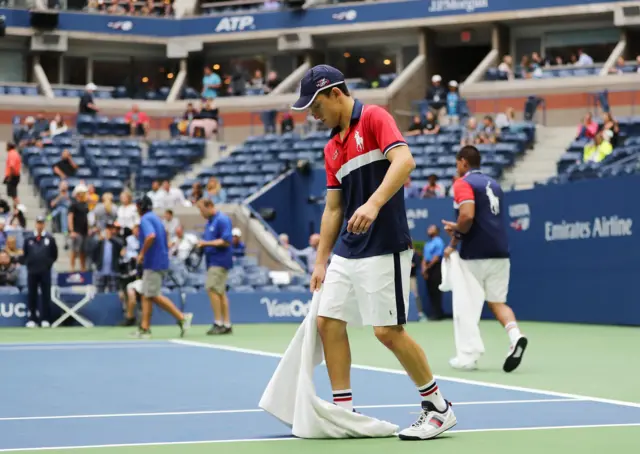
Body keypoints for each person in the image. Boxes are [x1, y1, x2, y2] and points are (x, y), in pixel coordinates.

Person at [291, 64, 456, 441]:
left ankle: (438, 408)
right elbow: (333, 209)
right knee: (328, 321)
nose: (313, 115)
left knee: (387, 331)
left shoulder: (375, 118)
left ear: (335, 93)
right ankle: (344, 413)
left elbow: (404, 161)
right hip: (348, 250)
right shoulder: (331, 147)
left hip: (385, 244)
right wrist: (321, 261)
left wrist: (373, 203)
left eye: (315, 106)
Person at [442, 145, 528, 372]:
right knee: (497, 303)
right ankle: (515, 336)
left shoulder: (462, 183)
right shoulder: (496, 185)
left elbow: (467, 216)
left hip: (475, 254)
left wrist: (454, 236)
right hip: (500, 252)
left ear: (463, 162)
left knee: (465, 305)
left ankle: (467, 357)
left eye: (457, 163)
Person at [132, 195, 193, 339]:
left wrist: (141, 254)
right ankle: (145, 328)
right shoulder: (155, 218)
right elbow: (164, 234)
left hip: (154, 262)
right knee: (147, 295)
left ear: (140, 207)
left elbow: (151, 236)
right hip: (158, 260)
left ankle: (182, 317)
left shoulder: (146, 219)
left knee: (152, 294)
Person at [197, 199, 233, 335]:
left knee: (211, 288)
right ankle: (227, 324)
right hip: (212, 261)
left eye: (201, 210)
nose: (201, 213)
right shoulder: (210, 222)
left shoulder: (222, 220)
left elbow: (226, 241)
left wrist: (205, 244)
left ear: (210, 206)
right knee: (220, 292)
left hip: (220, 261)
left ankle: (218, 322)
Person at [22, 215, 58, 328]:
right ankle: (32, 318)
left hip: (45, 271)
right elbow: (25, 254)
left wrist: (48, 264)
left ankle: (45, 319)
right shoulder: (29, 239)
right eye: (38, 223)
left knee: (46, 295)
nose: (40, 225)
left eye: (42, 223)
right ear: (35, 224)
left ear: (44, 224)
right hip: (32, 271)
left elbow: (54, 254)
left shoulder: (49, 238)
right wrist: (29, 263)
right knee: (32, 295)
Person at [422, 225, 445, 320]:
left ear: (436, 231)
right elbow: (424, 258)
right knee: (430, 291)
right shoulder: (427, 244)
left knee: (436, 291)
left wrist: (427, 268)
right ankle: (434, 313)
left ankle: (438, 314)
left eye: (431, 229)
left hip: (435, 267)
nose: (429, 230)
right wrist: (424, 270)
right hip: (428, 269)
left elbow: (436, 257)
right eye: (428, 228)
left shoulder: (438, 241)